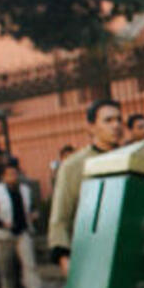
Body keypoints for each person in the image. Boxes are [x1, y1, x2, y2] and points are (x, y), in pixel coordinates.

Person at [48, 98, 123, 277]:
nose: (116, 125)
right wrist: (64, 260)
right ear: (91, 127)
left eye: (119, 119)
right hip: (91, 254)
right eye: (108, 120)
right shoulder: (74, 165)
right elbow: (60, 217)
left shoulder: (132, 158)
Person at [0, 161, 43, 288]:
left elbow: (32, 206)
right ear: (3, 177)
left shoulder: (24, 190)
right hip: (3, 235)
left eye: (15, 174)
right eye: (10, 175)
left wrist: (33, 214)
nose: (13, 177)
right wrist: (2, 223)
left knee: (30, 263)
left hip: (23, 231)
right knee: (6, 267)